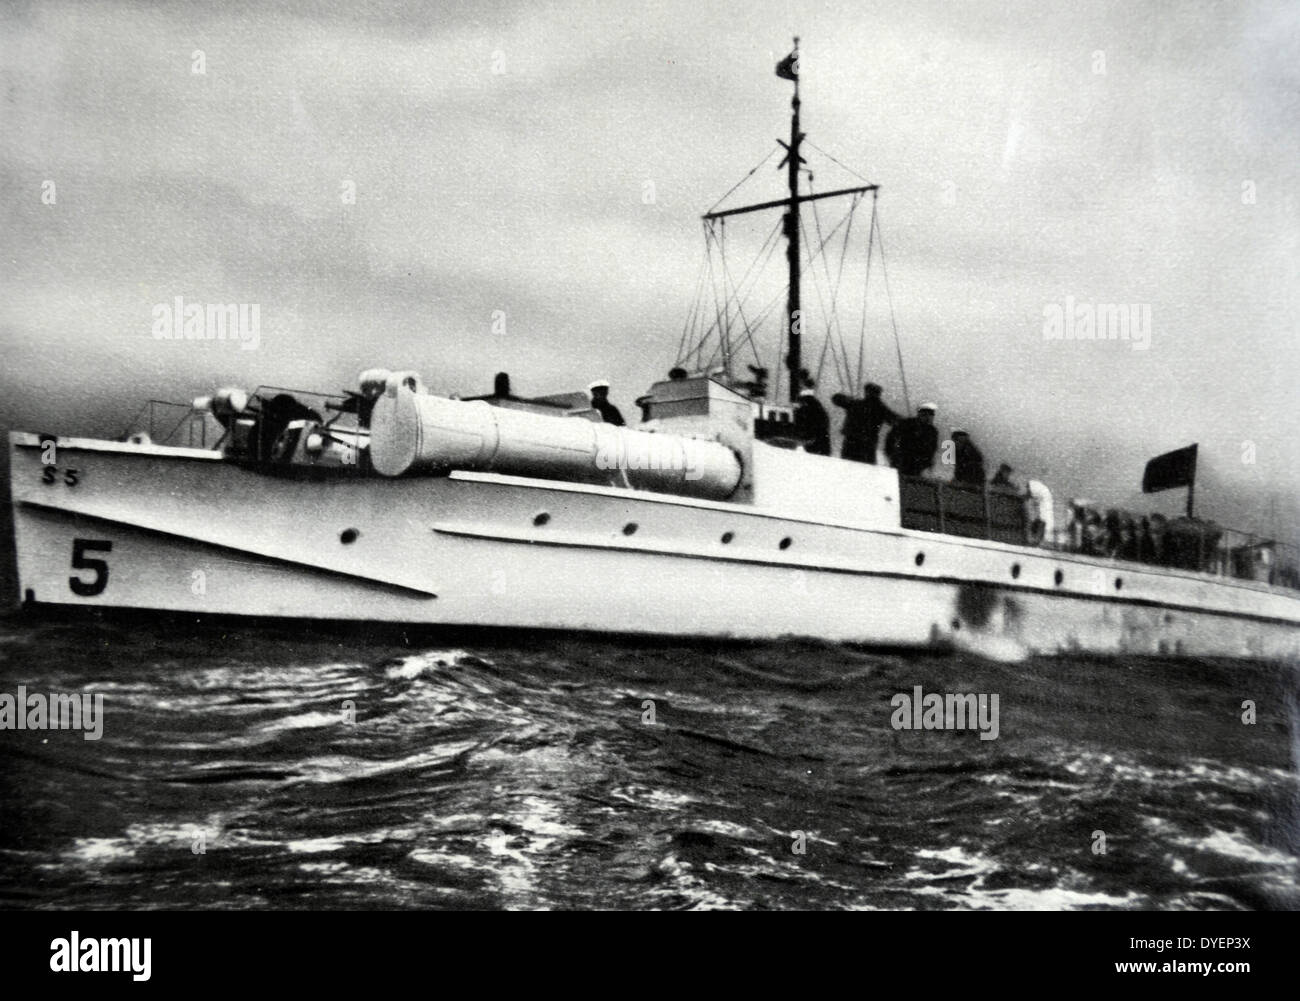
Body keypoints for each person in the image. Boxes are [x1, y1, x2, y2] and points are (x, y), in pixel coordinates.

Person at [831, 382, 899, 463]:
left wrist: (847, 398)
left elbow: (836, 398)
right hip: (868, 445)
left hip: (851, 442)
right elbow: (895, 420)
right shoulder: (881, 409)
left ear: (866, 392)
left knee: (847, 467)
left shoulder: (856, 404)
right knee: (866, 469)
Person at [885, 403, 940, 476]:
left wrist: (927, 463)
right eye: (924, 415)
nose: (927, 418)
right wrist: (890, 453)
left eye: (930, 415)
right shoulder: (907, 424)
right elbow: (891, 437)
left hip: (918, 465)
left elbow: (932, 448)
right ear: (919, 414)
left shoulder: (932, 431)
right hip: (901, 461)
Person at [794, 388, 832, 455]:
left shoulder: (804, 410)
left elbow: (803, 424)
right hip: (822, 436)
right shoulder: (819, 408)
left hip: (812, 437)